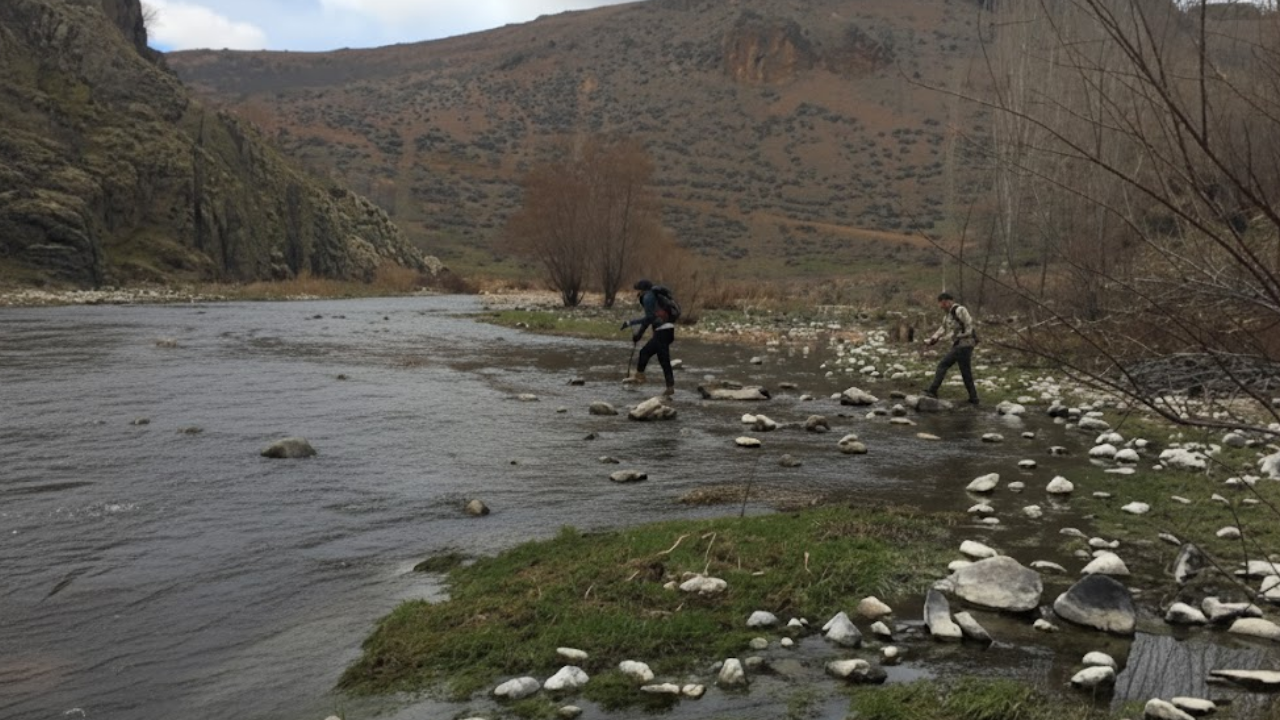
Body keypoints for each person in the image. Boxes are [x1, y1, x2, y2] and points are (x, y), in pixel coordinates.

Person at [620, 279, 675, 396]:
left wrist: (630, 322)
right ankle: (670, 388)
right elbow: (650, 319)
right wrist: (639, 335)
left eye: (638, 290)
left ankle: (640, 377)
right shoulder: (654, 297)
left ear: (642, 290)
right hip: (668, 331)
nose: (637, 293)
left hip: (661, 332)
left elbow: (649, 318)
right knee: (663, 361)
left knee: (644, 352)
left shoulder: (648, 297)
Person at [923, 292, 979, 405]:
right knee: (965, 372)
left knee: (943, 365)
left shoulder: (960, 310)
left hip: (964, 344)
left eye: (942, 303)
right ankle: (974, 398)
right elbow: (942, 328)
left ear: (947, 301)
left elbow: (969, 325)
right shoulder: (947, 316)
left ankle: (933, 390)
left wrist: (959, 335)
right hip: (960, 345)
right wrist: (933, 339)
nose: (940, 306)